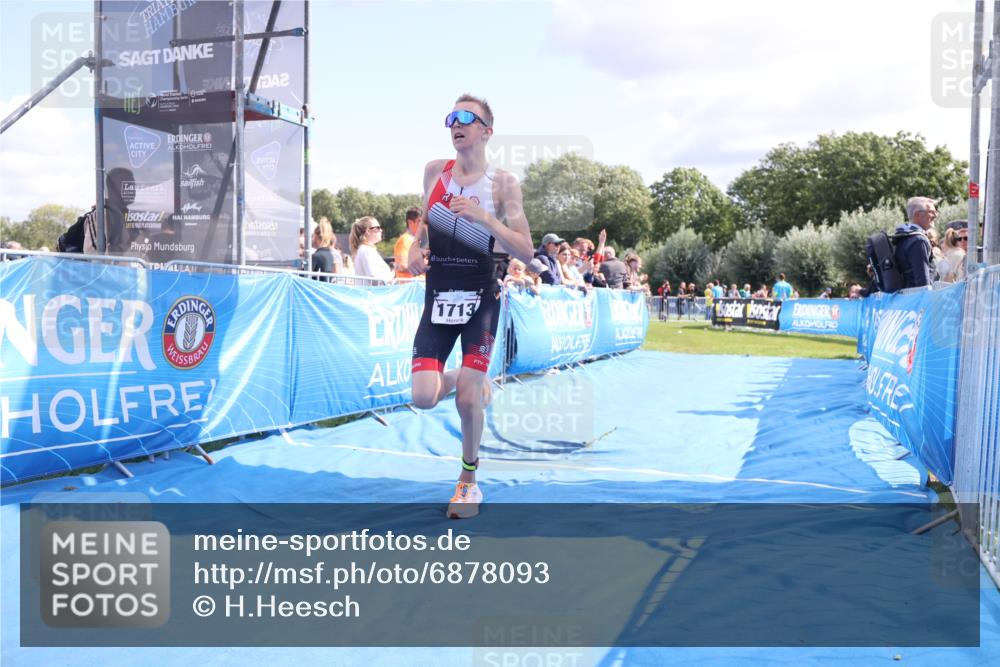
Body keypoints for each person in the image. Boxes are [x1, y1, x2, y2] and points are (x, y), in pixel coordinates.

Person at [405, 94, 534, 519]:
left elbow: (528, 251)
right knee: (424, 396)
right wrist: (414, 252)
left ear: (486, 131)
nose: (455, 124)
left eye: (466, 117)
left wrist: (486, 220)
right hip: (438, 293)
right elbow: (425, 224)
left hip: (482, 294)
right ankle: (470, 379)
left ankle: (467, 482)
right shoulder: (433, 172)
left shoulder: (502, 184)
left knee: (464, 401)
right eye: (451, 118)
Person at [894, 196, 937, 288]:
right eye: (931, 212)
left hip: (904, 296)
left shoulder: (902, 236)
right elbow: (923, 282)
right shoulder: (919, 240)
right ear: (917, 214)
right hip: (916, 298)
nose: (935, 215)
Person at [350, 216, 394, 282]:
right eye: (378, 228)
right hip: (371, 292)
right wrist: (393, 273)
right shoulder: (367, 251)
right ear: (368, 231)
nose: (381, 230)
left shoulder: (365, 249)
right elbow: (374, 280)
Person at [394, 207, 424, 279]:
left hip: (418, 286)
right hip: (411, 287)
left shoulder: (416, 240)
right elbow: (402, 266)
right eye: (419, 221)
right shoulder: (405, 240)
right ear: (410, 222)